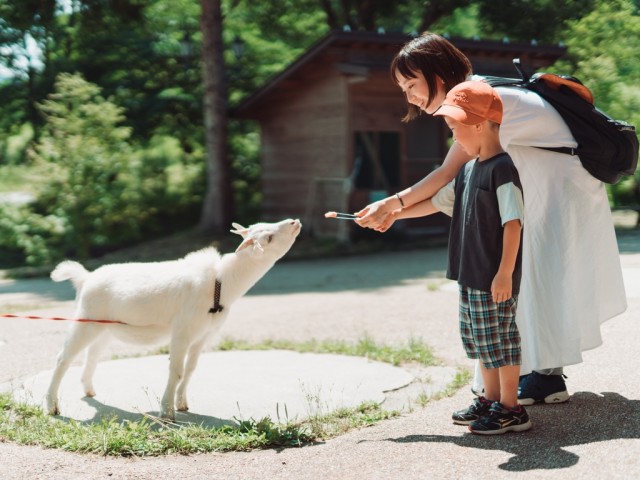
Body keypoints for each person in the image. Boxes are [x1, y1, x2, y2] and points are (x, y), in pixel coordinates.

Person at [355, 32, 627, 404]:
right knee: (529, 279)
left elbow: (446, 174)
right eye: (402, 88)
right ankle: (534, 374)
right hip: (548, 183)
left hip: (561, 189)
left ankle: (544, 376)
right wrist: (394, 212)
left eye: (412, 84)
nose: (410, 97)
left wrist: (392, 204)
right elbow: (454, 193)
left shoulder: (481, 99)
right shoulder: (474, 105)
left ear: (438, 72)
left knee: (537, 278)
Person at [394, 80, 529, 434]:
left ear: (480, 125)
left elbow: (513, 223)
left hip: (492, 276)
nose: (453, 137)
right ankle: (491, 398)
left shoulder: (502, 169)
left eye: (455, 128)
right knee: (481, 340)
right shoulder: (469, 170)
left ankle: (511, 408)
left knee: (501, 339)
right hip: (470, 273)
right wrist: (392, 213)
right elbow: (442, 204)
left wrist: (504, 272)